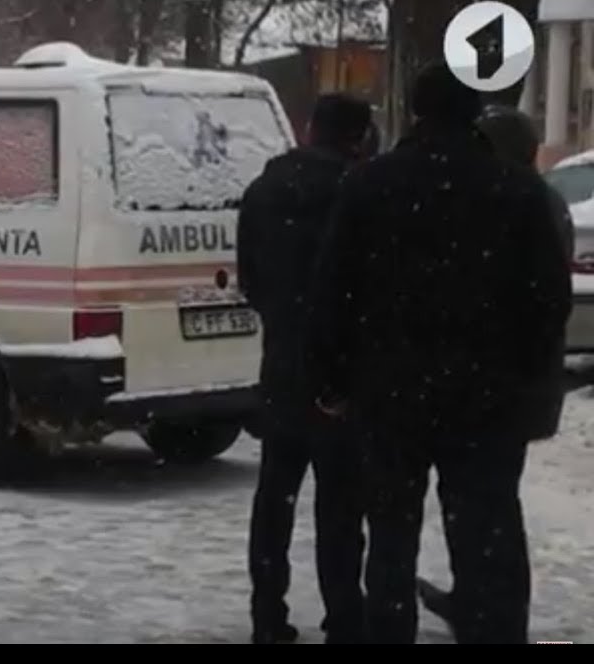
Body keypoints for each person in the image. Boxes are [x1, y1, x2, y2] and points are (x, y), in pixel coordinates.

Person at [305, 62, 572, 644]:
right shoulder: (517, 190)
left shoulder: (371, 185)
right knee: (487, 532)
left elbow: (334, 291)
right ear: (476, 114)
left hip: (390, 392)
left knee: (391, 535)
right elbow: (548, 299)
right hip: (487, 397)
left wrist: (334, 380)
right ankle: (494, 630)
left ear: (417, 109)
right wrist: (521, 371)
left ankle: (389, 629)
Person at [416, 104, 575, 635]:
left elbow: (532, 301)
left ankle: (492, 612)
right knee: (487, 500)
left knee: (485, 503)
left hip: (503, 386)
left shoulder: (523, 204)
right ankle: (481, 601)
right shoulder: (537, 201)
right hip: (518, 383)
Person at [237, 93, 377, 645]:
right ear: (359, 137)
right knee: (341, 506)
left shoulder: (264, 189)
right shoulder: (359, 192)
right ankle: (344, 615)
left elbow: (249, 278)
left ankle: (267, 614)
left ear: (309, 127)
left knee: (275, 497)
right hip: (340, 373)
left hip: (281, 366)